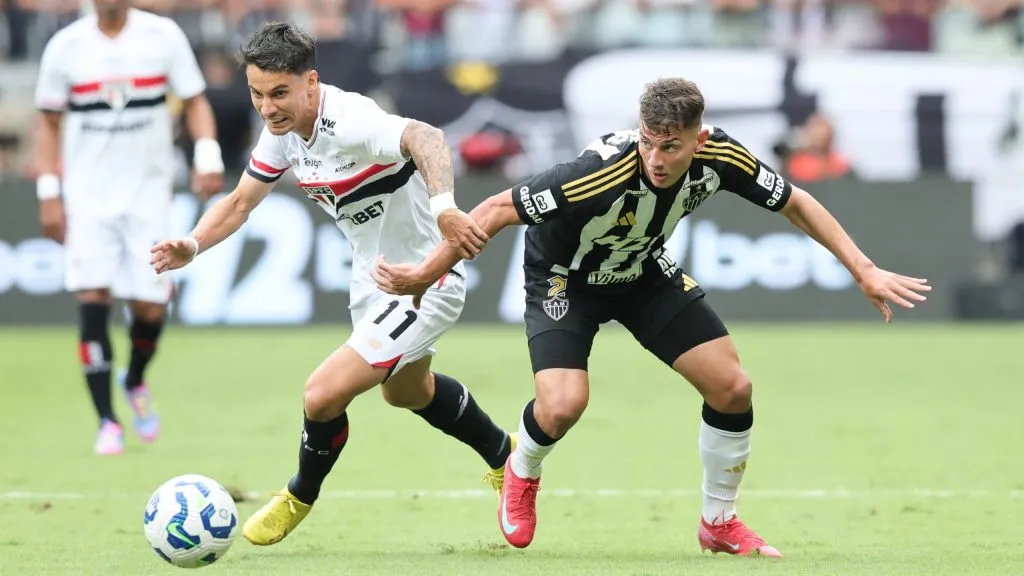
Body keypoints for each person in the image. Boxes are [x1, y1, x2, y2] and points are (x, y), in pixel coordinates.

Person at [372, 77, 932, 556]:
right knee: (564, 406)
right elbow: (494, 210)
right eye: (648, 144)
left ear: (699, 139)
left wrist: (863, 269)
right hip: (565, 278)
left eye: (671, 147)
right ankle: (523, 466)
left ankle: (718, 524)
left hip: (641, 271)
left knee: (733, 388)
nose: (657, 160)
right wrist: (426, 273)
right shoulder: (597, 172)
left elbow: (796, 202)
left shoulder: (722, 156)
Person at [149, 21, 514, 547]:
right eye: (256, 93)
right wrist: (193, 243)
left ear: (311, 83)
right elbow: (238, 203)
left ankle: (299, 493)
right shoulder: (280, 133)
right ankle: (507, 457)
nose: (267, 107)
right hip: (373, 281)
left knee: (321, 395)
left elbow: (426, 137)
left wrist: (445, 209)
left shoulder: (351, 119)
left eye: (279, 93)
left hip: (426, 278)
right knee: (407, 393)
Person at [34, 0, 225, 456]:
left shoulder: (162, 36)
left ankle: (135, 379)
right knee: (93, 296)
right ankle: (107, 421)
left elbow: (196, 101)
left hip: (146, 197)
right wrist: (47, 191)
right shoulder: (65, 46)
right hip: (87, 198)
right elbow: (47, 121)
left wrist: (207, 157)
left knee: (150, 308)